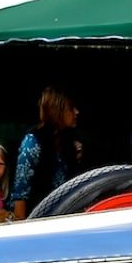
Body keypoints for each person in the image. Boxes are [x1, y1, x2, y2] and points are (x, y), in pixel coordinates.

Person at [11, 86, 84, 220]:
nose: (76, 112)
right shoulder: (32, 142)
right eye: (71, 108)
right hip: (39, 219)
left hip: (67, 216)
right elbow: (21, 193)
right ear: (58, 111)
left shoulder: (70, 142)